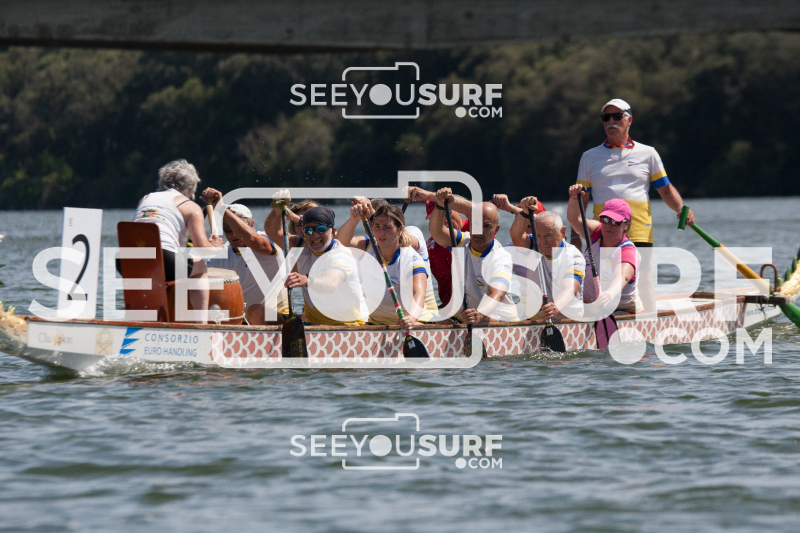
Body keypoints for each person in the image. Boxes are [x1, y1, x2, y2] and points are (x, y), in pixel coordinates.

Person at [576, 99, 694, 311]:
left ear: (629, 120)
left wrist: (680, 208)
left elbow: (665, 189)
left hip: (638, 228)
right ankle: (599, 321)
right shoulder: (589, 157)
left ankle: (649, 324)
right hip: (604, 230)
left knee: (644, 282)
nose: (611, 121)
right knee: (600, 283)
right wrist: (576, 235)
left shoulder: (648, 153)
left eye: (617, 116)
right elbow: (581, 199)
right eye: (606, 117)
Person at [133, 159, 214, 323]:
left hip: (127, 259)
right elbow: (203, 249)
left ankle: (144, 322)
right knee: (199, 267)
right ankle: (202, 326)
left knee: (164, 268)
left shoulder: (145, 198)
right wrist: (215, 246)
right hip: (162, 259)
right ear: (191, 189)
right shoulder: (190, 206)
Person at [337, 201, 437, 328]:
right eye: (377, 226)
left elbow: (419, 293)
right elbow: (340, 243)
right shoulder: (368, 246)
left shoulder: (410, 258)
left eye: (387, 227)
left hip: (412, 322)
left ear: (400, 229)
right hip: (377, 323)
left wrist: (411, 318)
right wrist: (354, 219)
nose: (381, 233)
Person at [428, 188, 518, 324]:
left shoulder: (500, 257)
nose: (479, 231)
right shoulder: (462, 241)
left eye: (486, 226)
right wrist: (440, 205)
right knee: (430, 319)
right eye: (476, 224)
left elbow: (496, 294)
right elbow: (437, 232)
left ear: (496, 229)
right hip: (468, 316)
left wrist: (479, 314)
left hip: (499, 317)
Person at [201, 189, 289, 325]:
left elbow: (252, 240)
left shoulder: (266, 241)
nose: (233, 235)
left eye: (238, 228)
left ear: (252, 225)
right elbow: (200, 279)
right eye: (228, 230)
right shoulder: (222, 254)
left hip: (277, 317)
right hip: (241, 321)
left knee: (254, 311)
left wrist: (221, 208)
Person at [283, 206, 369, 326]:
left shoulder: (341, 255)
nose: (314, 235)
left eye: (321, 229)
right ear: (303, 232)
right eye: (309, 230)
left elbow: (331, 283)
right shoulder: (302, 249)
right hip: (316, 325)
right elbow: (274, 232)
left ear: (333, 231)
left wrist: (307, 280)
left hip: (350, 326)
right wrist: (277, 210)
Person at [567, 186, 640, 313]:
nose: (609, 225)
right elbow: (574, 219)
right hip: (590, 307)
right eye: (605, 219)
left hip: (620, 309)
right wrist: (574, 198)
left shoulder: (627, 251)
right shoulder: (596, 232)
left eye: (615, 222)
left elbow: (622, 276)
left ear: (626, 225)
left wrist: (609, 294)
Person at [510, 200, 585, 320]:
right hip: (537, 316)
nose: (542, 242)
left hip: (567, 318)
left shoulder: (574, 256)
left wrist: (555, 307)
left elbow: (570, 288)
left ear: (562, 232)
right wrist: (524, 212)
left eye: (548, 236)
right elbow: (516, 235)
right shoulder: (534, 245)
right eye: (538, 236)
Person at [406, 186, 472, 307]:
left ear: (459, 211)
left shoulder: (477, 229)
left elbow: (477, 211)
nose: (443, 220)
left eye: (446, 213)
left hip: (482, 307)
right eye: (436, 217)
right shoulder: (430, 249)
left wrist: (430, 196)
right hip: (450, 310)